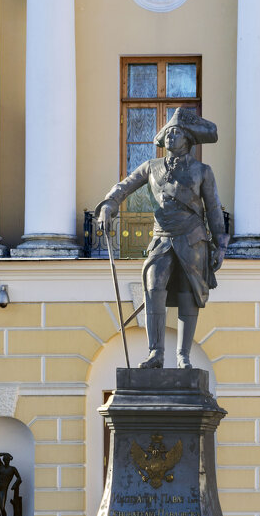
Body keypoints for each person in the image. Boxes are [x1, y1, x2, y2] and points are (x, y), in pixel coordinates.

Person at [96, 106, 230, 369]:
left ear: (188, 140)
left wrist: (220, 246)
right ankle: (155, 353)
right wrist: (108, 206)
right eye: (168, 132)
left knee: (187, 294)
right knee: (153, 287)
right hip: (161, 238)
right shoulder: (151, 167)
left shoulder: (202, 171)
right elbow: (125, 186)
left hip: (192, 239)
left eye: (177, 132)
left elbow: (214, 210)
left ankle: (183, 357)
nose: (170, 136)